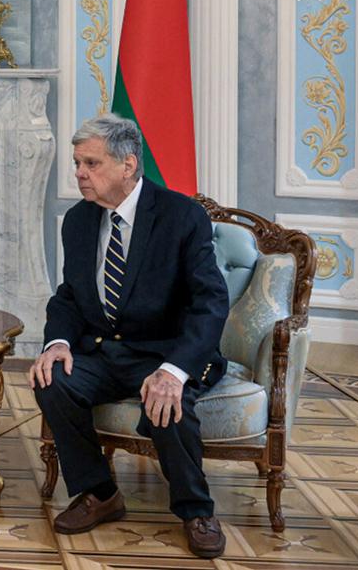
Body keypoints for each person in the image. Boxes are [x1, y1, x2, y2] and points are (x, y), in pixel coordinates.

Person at [29, 113, 230, 559]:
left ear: (128, 165)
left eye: (91, 163)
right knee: (52, 379)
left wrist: (174, 371)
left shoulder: (181, 216)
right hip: (105, 352)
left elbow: (211, 301)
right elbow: (69, 296)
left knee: (168, 400)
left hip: (165, 352)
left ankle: (196, 510)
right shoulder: (78, 220)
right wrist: (57, 343)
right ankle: (100, 493)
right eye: (77, 163)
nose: (79, 173)